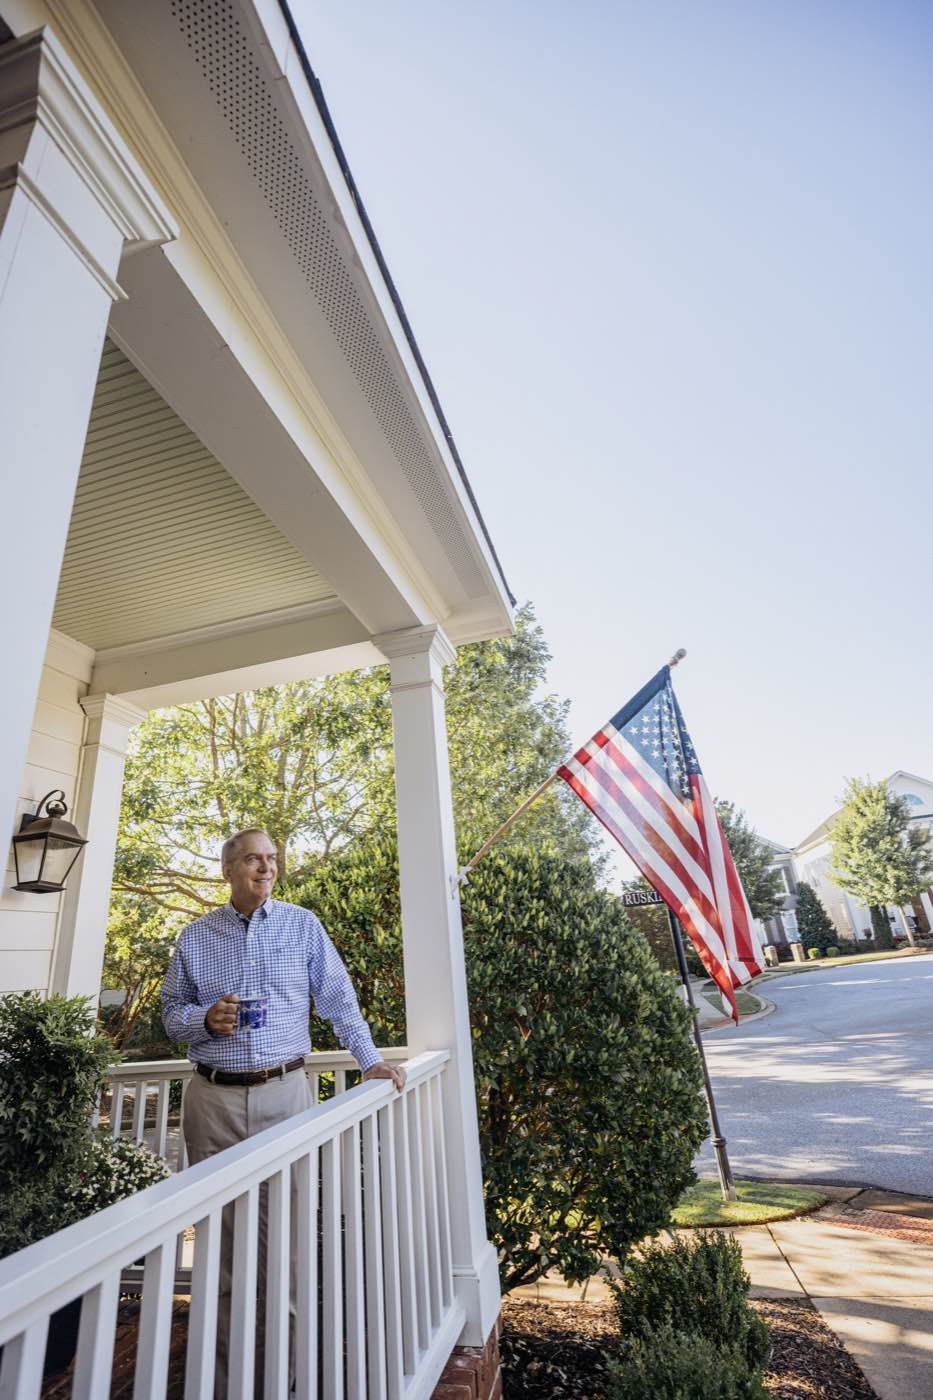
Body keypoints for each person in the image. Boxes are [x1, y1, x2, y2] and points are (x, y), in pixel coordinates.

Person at [162, 826, 405, 1396]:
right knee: (220, 1255)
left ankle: (283, 1385)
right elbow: (171, 1014)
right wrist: (203, 1020)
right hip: (213, 1100)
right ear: (229, 870)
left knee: (287, 1254)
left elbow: (340, 998)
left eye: (272, 859)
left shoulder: (302, 925)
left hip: (285, 1099)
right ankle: (225, 1386)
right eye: (253, 859)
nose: (266, 868)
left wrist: (368, 1061)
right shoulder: (196, 937)